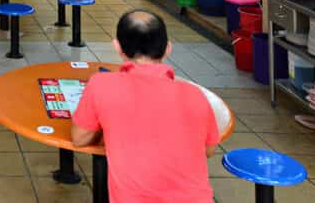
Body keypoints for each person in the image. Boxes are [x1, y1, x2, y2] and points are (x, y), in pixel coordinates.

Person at [71, 10, 219, 202]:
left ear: (118, 48)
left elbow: (79, 138)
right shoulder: (195, 94)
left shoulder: (101, 85)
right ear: (167, 49)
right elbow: (207, 150)